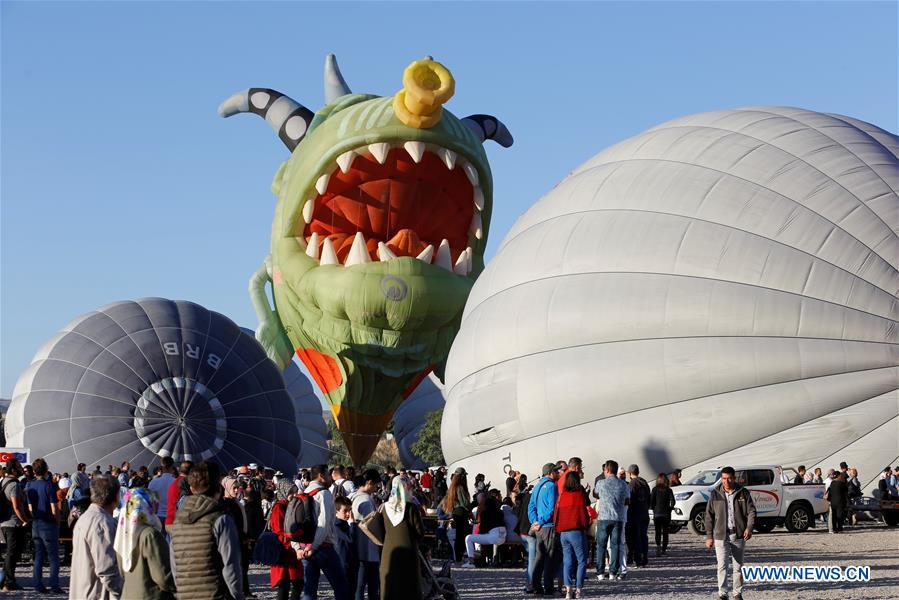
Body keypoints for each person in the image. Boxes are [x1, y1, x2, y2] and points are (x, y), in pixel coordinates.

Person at [169, 461, 244, 600]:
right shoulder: (221, 519)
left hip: (185, 595)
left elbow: (174, 566)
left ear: (191, 488)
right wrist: (237, 596)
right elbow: (231, 566)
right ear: (218, 490)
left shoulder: (177, 521)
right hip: (214, 594)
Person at [297, 464, 351, 600]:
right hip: (322, 548)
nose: (330, 478)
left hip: (304, 548)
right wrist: (314, 546)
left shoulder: (303, 494)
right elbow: (324, 523)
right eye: (328, 474)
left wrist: (298, 547)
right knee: (342, 588)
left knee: (310, 590)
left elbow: (294, 523)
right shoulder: (324, 494)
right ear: (321, 476)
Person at [704, 466, 756, 600]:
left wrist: (749, 528)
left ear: (734, 478)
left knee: (738, 566)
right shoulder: (715, 494)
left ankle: (737, 593)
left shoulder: (743, 493)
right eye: (723, 478)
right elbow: (709, 516)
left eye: (729, 478)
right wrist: (709, 536)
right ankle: (722, 594)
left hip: (738, 535)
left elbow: (751, 511)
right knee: (722, 566)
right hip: (721, 536)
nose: (726, 481)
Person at [114, 487, 176, 599]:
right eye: (153, 502)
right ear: (144, 505)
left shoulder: (123, 533)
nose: (156, 506)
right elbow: (163, 576)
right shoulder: (150, 534)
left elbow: (122, 572)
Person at [70, 474, 124, 600]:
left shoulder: (87, 516)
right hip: (96, 592)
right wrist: (122, 592)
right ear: (115, 496)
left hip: (84, 589)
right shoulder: (101, 522)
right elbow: (106, 568)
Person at [378, 475, 425, 600]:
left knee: (391, 586)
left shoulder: (384, 508)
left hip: (388, 552)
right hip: (408, 551)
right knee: (408, 586)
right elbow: (420, 532)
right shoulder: (411, 508)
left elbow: (380, 531)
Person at [25, 457, 63, 594]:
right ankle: (54, 585)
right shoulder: (49, 486)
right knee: (53, 556)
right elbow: (54, 509)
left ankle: (38, 584)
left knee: (39, 556)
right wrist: (57, 523)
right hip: (48, 523)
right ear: (46, 469)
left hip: (36, 522)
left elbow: (30, 508)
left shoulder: (30, 486)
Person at [592, 460, 629, 581]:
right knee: (615, 545)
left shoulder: (601, 483)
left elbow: (596, 495)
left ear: (607, 470)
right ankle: (613, 572)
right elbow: (628, 501)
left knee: (601, 545)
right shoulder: (623, 484)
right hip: (618, 518)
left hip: (603, 517)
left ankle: (600, 573)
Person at [554, 471, 588, 599]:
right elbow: (583, 514)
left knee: (567, 560)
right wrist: (585, 526)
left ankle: (568, 590)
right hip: (576, 531)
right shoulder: (579, 495)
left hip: (563, 532)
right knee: (581, 560)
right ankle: (579, 590)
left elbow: (556, 514)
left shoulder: (562, 495)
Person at [528, 463, 561, 596]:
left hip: (538, 528)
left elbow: (531, 506)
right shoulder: (552, 486)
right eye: (556, 471)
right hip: (548, 526)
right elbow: (552, 508)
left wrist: (534, 522)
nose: (558, 473)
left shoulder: (537, 486)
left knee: (539, 557)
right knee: (550, 558)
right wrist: (541, 522)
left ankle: (536, 586)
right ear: (551, 473)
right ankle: (548, 587)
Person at [269, 481, 303, 600]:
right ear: (283, 492)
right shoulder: (279, 507)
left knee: (295, 583)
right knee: (285, 584)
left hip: (291, 549)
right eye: (290, 492)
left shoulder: (290, 505)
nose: (294, 495)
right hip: (284, 551)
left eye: (294, 492)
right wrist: (295, 542)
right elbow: (279, 531)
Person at [1, 458, 31, 592]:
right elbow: (17, 506)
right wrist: (25, 520)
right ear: (13, 470)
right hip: (13, 523)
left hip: (4, 522)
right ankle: (8, 581)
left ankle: (6, 579)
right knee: (12, 553)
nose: (21, 469)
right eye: (19, 467)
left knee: (10, 553)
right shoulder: (14, 485)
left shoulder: (3, 481)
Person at [351, 469, 381, 600]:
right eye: (376, 484)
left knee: (359, 584)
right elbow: (371, 525)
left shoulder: (353, 496)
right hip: (368, 548)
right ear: (369, 482)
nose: (377, 487)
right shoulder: (366, 501)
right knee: (370, 585)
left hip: (355, 545)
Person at [461, 489, 506, 567]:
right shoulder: (499, 512)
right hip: (503, 536)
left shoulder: (484, 512)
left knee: (469, 538)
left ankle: (471, 562)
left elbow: (482, 529)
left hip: (494, 536)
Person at [441, 468, 472, 564]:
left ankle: (458, 557)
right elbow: (465, 503)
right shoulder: (460, 487)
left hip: (456, 512)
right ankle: (461, 556)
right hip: (461, 512)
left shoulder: (452, 487)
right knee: (463, 535)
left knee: (459, 535)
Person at [625, 464, 651, 567]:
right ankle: (645, 557)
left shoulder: (631, 484)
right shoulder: (644, 483)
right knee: (644, 536)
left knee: (636, 538)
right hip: (644, 513)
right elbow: (649, 498)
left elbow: (629, 500)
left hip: (635, 514)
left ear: (630, 473)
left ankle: (638, 560)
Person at [333, 497, 359, 595]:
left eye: (350, 510)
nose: (348, 514)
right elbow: (350, 538)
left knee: (352, 592)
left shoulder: (345, 524)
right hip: (342, 564)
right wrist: (352, 523)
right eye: (345, 511)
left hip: (352, 563)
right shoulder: (336, 525)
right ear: (337, 511)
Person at [148, 457, 176, 532]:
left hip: (156, 517)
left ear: (161, 467)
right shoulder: (176, 482)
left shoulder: (153, 482)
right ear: (172, 467)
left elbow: (150, 501)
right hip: (171, 518)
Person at [651, 473, 675, 556]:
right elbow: (673, 502)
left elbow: (651, 502)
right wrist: (670, 509)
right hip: (666, 514)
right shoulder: (669, 490)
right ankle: (664, 549)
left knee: (657, 531)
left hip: (657, 514)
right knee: (665, 532)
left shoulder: (654, 489)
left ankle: (658, 546)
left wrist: (654, 508)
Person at [164, 460, 192, 528]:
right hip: (179, 524)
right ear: (192, 471)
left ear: (179, 470)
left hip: (169, 520)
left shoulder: (173, 482)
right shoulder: (188, 484)